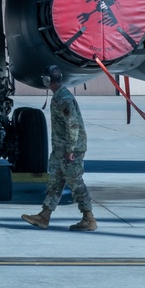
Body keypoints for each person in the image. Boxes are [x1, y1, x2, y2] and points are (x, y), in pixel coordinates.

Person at [21, 65, 97, 232]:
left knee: (75, 182)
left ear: (48, 80)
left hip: (70, 149)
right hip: (60, 149)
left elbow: (73, 125)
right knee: (55, 182)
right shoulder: (58, 96)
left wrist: (70, 149)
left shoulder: (64, 99)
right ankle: (44, 216)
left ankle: (89, 218)